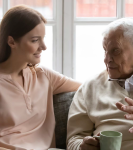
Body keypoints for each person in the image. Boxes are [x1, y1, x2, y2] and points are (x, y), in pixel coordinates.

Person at [0, 5, 81, 150]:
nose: (43, 47)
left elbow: (88, 87)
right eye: (35, 40)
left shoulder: (43, 75)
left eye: (43, 39)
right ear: (11, 42)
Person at [67, 18, 133, 150]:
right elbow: (74, 139)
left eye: (115, 51)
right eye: (105, 50)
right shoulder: (90, 87)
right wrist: (81, 147)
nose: (106, 59)